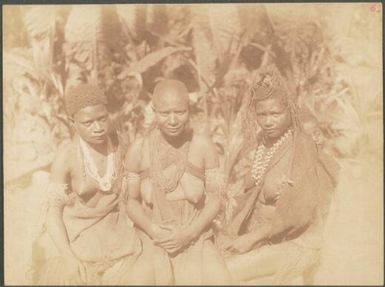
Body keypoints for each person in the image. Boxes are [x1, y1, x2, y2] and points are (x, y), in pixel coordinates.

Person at [217, 68, 340, 284]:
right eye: (262, 114)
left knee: (220, 272)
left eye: (275, 114)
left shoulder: (301, 147)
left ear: (290, 111)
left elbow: (299, 214)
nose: (268, 121)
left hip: (297, 242)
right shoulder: (264, 144)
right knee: (204, 260)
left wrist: (250, 239)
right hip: (263, 237)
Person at [32, 83, 151, 285]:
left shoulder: (118, 143)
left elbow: (138, 182)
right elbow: (52, 213)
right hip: (77, 234)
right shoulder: (67, 156)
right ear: (73, 122)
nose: (98, 128)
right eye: (88, 122)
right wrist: (68, 257)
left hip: (115, 231)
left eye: (102, 119)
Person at [124, 79, 232, 285]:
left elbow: (215, 200)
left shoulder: (203, 146)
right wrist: (153, 230)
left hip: (196, 235)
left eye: (180, 112)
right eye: (165, 113)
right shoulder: (139, 149)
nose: (173, 120)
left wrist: (188, 234)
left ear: (189, 110)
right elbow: (131, 202)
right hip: (152, 236)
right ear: (154, 111)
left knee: (221, 280)